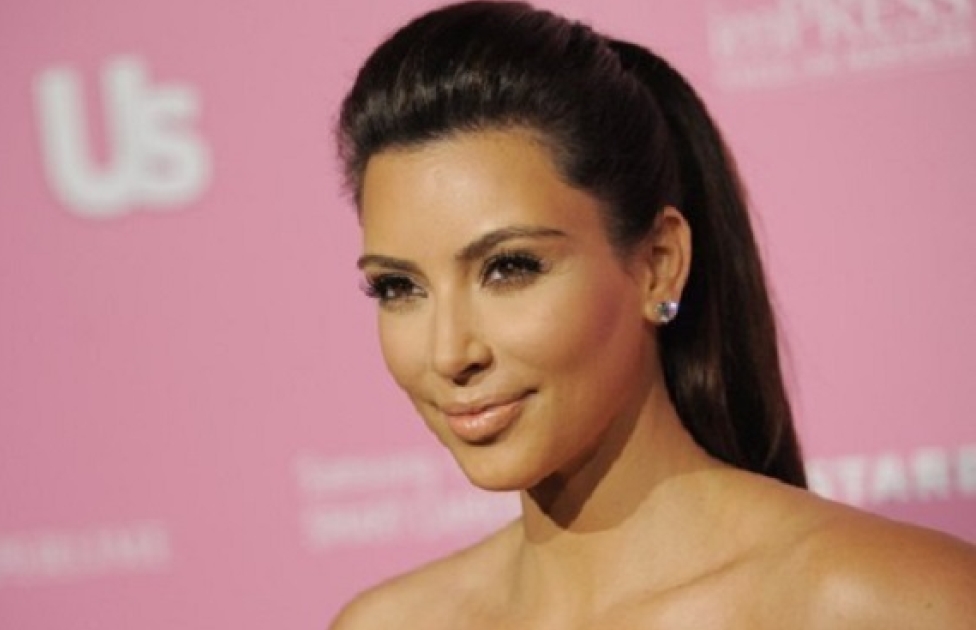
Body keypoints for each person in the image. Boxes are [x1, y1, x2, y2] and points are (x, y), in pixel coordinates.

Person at [329, 2, 976, 628]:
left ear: (659, 264)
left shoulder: (894, 605)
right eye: (398, 287)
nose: (449, 353)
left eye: (510, 268)